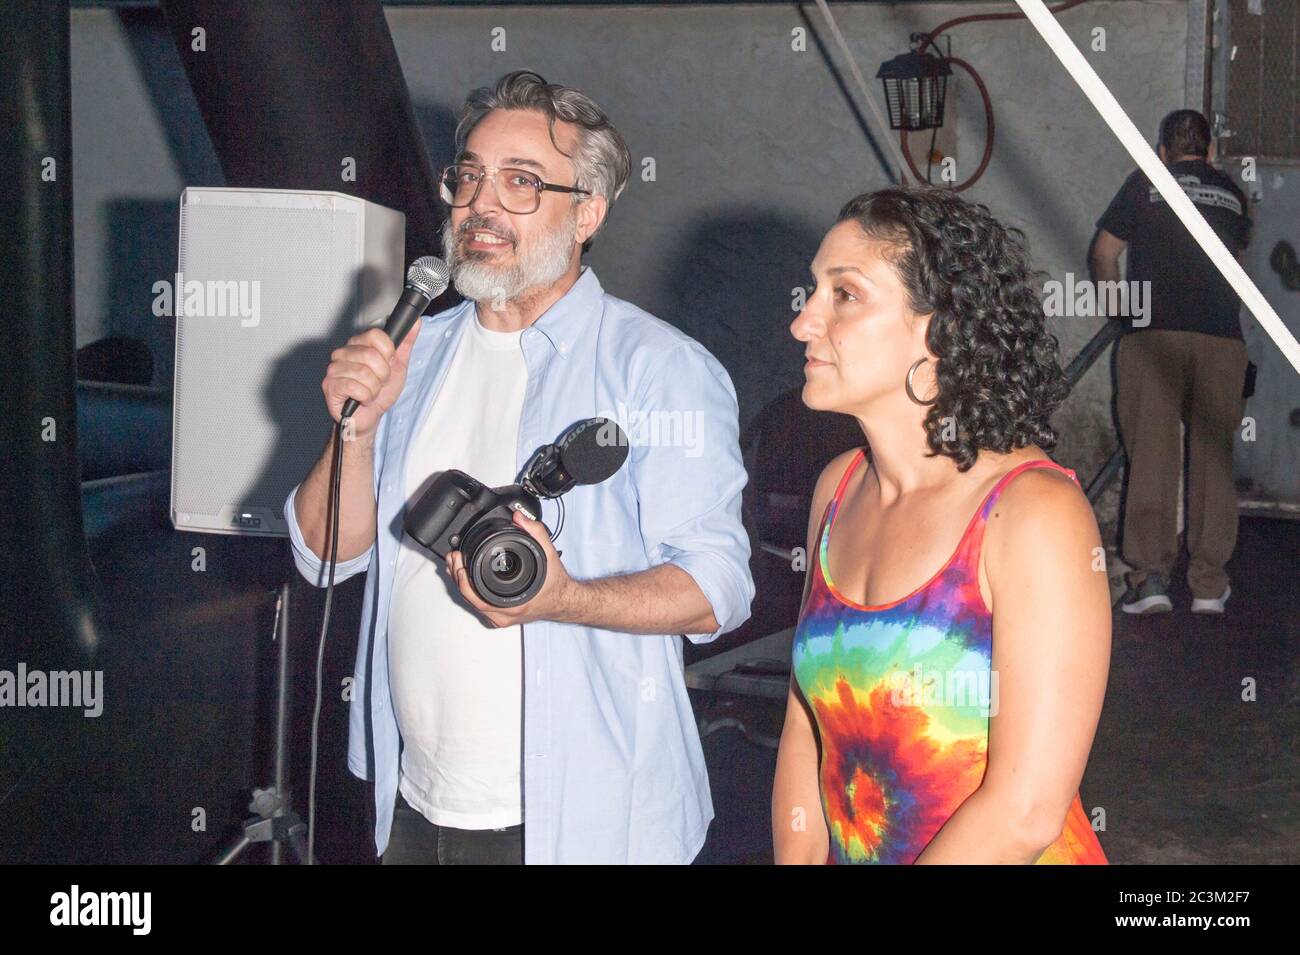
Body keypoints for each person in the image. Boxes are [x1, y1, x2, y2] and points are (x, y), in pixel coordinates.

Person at [284, 70, 753, 864]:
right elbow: (324, 555)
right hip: (408, 804)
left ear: (589, 212)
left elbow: (720, 591)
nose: (480, 203)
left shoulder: (657, 368)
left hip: (583, 820)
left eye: (522, 181)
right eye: (467, 175)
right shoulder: (414, 350)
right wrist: (355, 431)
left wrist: (563, 597)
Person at [773, 186, 1111, 864]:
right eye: (814, 291)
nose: (803, 322)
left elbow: (1024, 812)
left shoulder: (1033, 514)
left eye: (844, 295)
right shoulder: (837, 489)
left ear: (939, 331)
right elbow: (805, 731)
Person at [1092, 109, 1251, 615]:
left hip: (1154, 335)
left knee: (1152, 458)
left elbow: (1104, 251)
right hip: (1221, 340)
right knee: (1213, 460)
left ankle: (1151, 579)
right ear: (1206, 151)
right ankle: (1208, 586)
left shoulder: (1147, 181)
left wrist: (1120, 307)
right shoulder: (1231, 192)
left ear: (1162, 151)